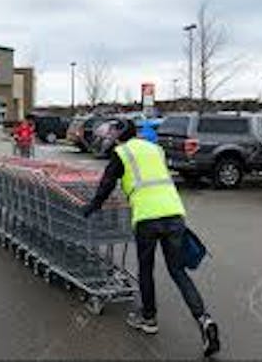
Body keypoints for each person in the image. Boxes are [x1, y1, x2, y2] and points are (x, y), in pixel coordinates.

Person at [82, 119, 220, 358]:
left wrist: (92, 207)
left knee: (146, 269)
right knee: (178, 272)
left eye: (114, 133)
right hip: (174, 213)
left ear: (119, 135)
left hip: (147, 217)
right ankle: (204, 320)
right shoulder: (155, 149)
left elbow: (106, 185)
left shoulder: (121, 153)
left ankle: (149, 318)